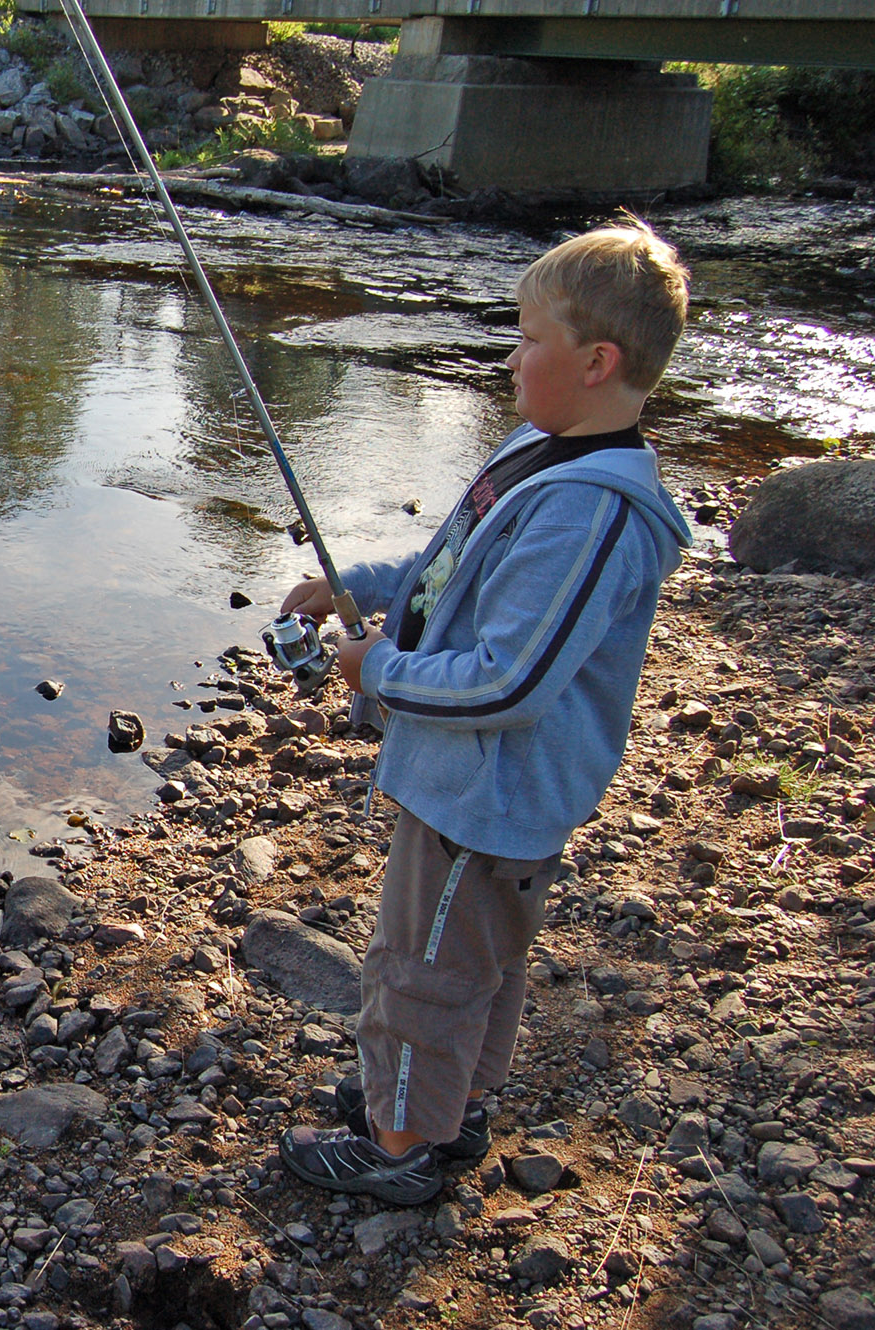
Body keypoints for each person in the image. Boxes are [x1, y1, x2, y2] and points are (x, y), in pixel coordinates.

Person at [272, 216, 695, 1205]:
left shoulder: (590, 510)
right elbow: (442, 575)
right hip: (460, 782)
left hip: (486, 795)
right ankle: (447, 1106)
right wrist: (357, 590)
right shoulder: (538, 453)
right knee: (476, 961)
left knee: (420, 968)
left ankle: (399, 1145)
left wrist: (376, 673)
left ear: (595, 361)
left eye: (527, 339)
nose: (510, 357)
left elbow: (509, 680)